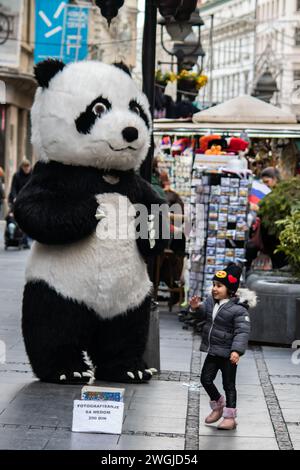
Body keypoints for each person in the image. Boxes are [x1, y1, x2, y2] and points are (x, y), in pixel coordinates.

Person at [189, 263, 253, 430]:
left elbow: (242, 332)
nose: (214, 289)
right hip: (213, 350)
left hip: (228, 354)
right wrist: (196, 308)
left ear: (230, 290)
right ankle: (218, 405)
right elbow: (204, 315)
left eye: (219, 286)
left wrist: (236, 351)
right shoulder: (211, 302)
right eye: (214, 285)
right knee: (205, 379)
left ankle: (230, 418)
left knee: (229, 384)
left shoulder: (239, 310)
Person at [8, 159, 32, 248]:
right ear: (21, 167)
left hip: (28, 200)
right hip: (18, 199)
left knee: (26, 220)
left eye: (28, 167)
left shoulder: (32, 175)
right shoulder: (17, 175)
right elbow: (13, 187)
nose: (26, 169)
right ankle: (19, 238)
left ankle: (25, 240)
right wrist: (14, 197)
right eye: (24, 167)